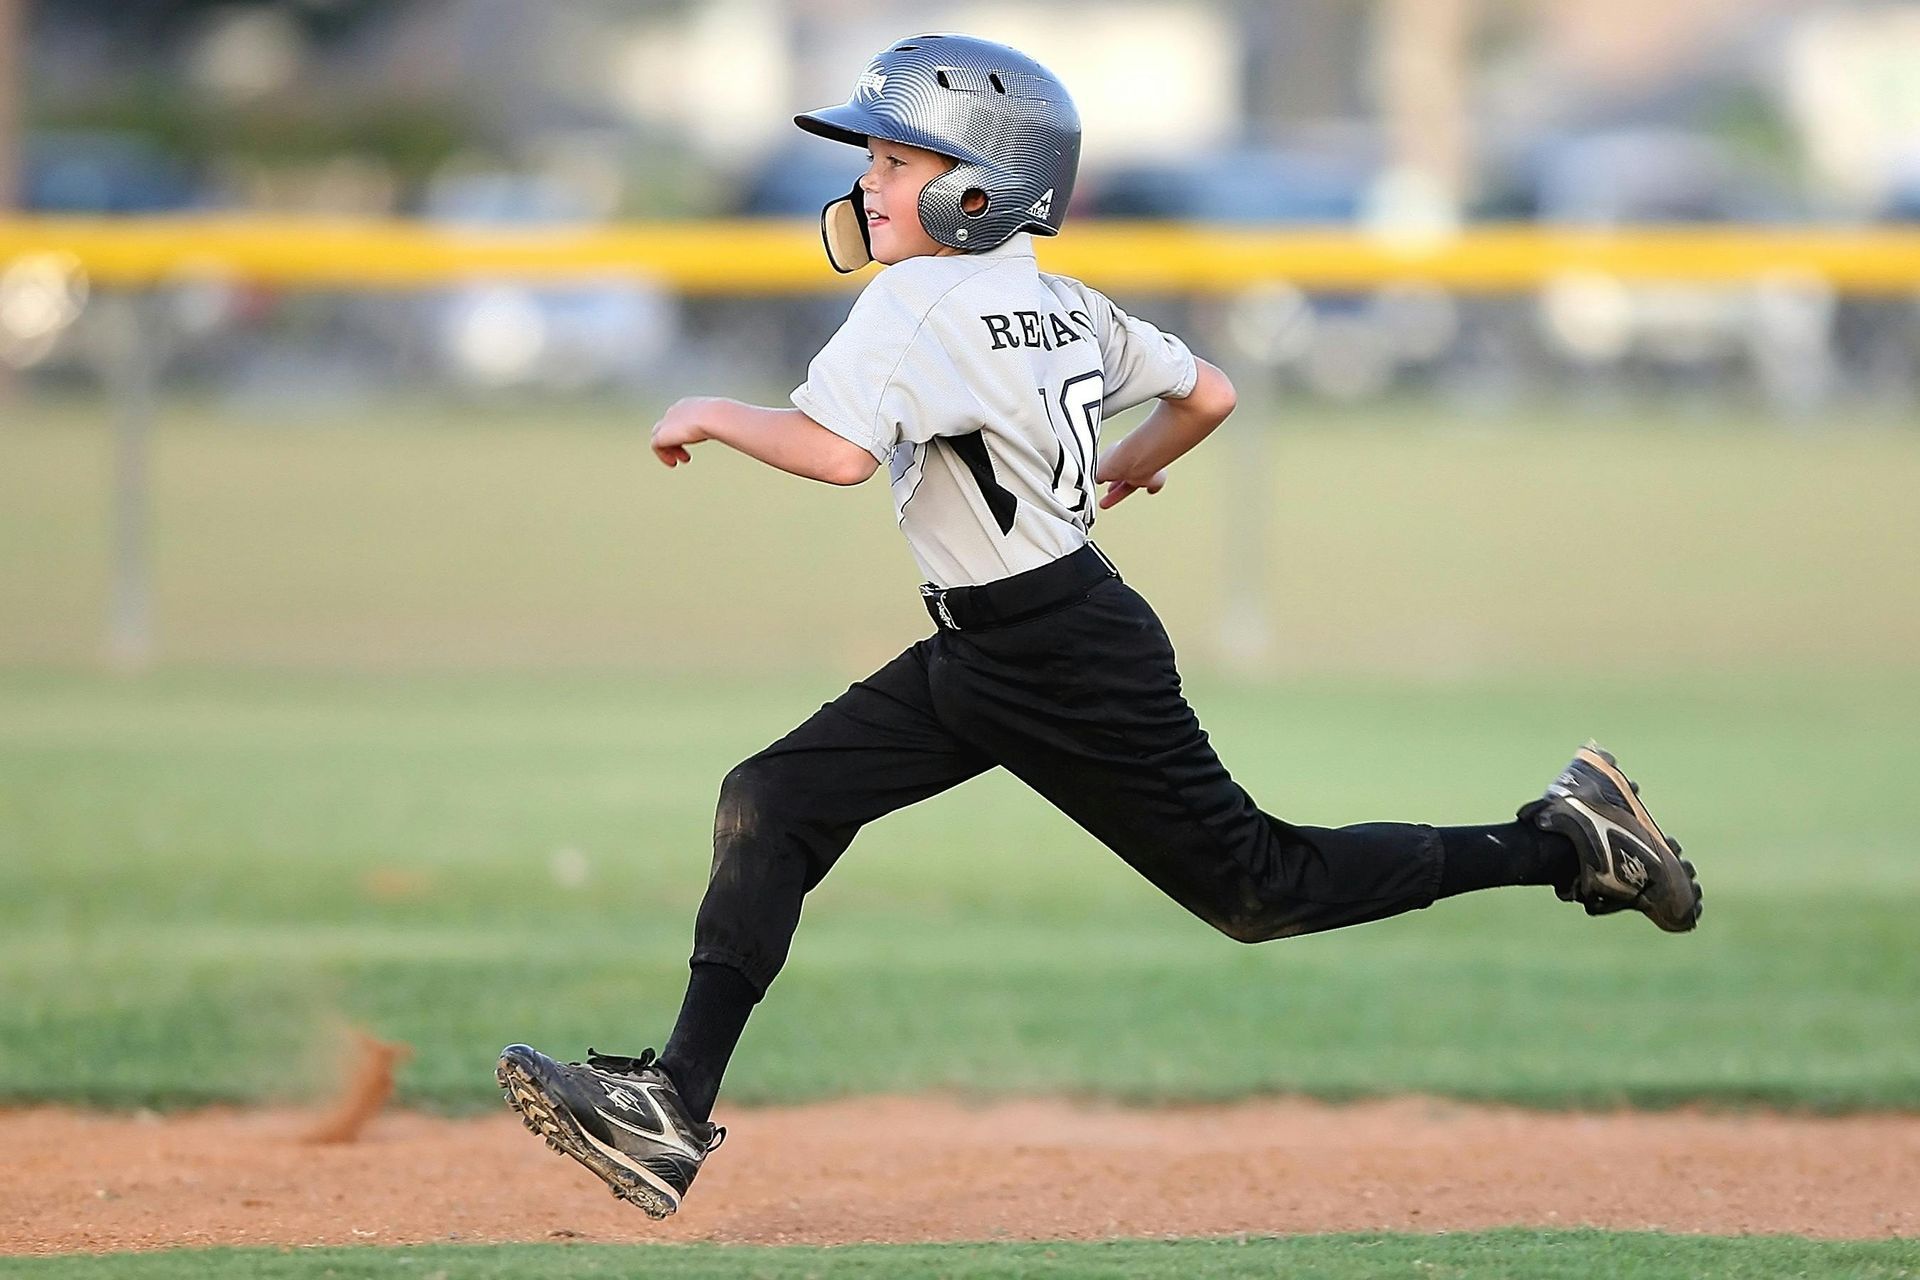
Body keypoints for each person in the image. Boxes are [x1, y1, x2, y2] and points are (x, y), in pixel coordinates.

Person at [496, 33, 1702, 1219]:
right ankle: (668, 1102)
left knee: (1259, 886)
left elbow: (837, 457)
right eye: (873, 155)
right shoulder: (1057, 296)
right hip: (1012, 639)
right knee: (775, 796)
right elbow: (1210, 392)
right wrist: (1121, 466)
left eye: (898, 160)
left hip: (1058, 657)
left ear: (982, 188)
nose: (869, 178)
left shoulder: (913, 301)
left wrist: (710, 407)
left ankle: (1566, 838)